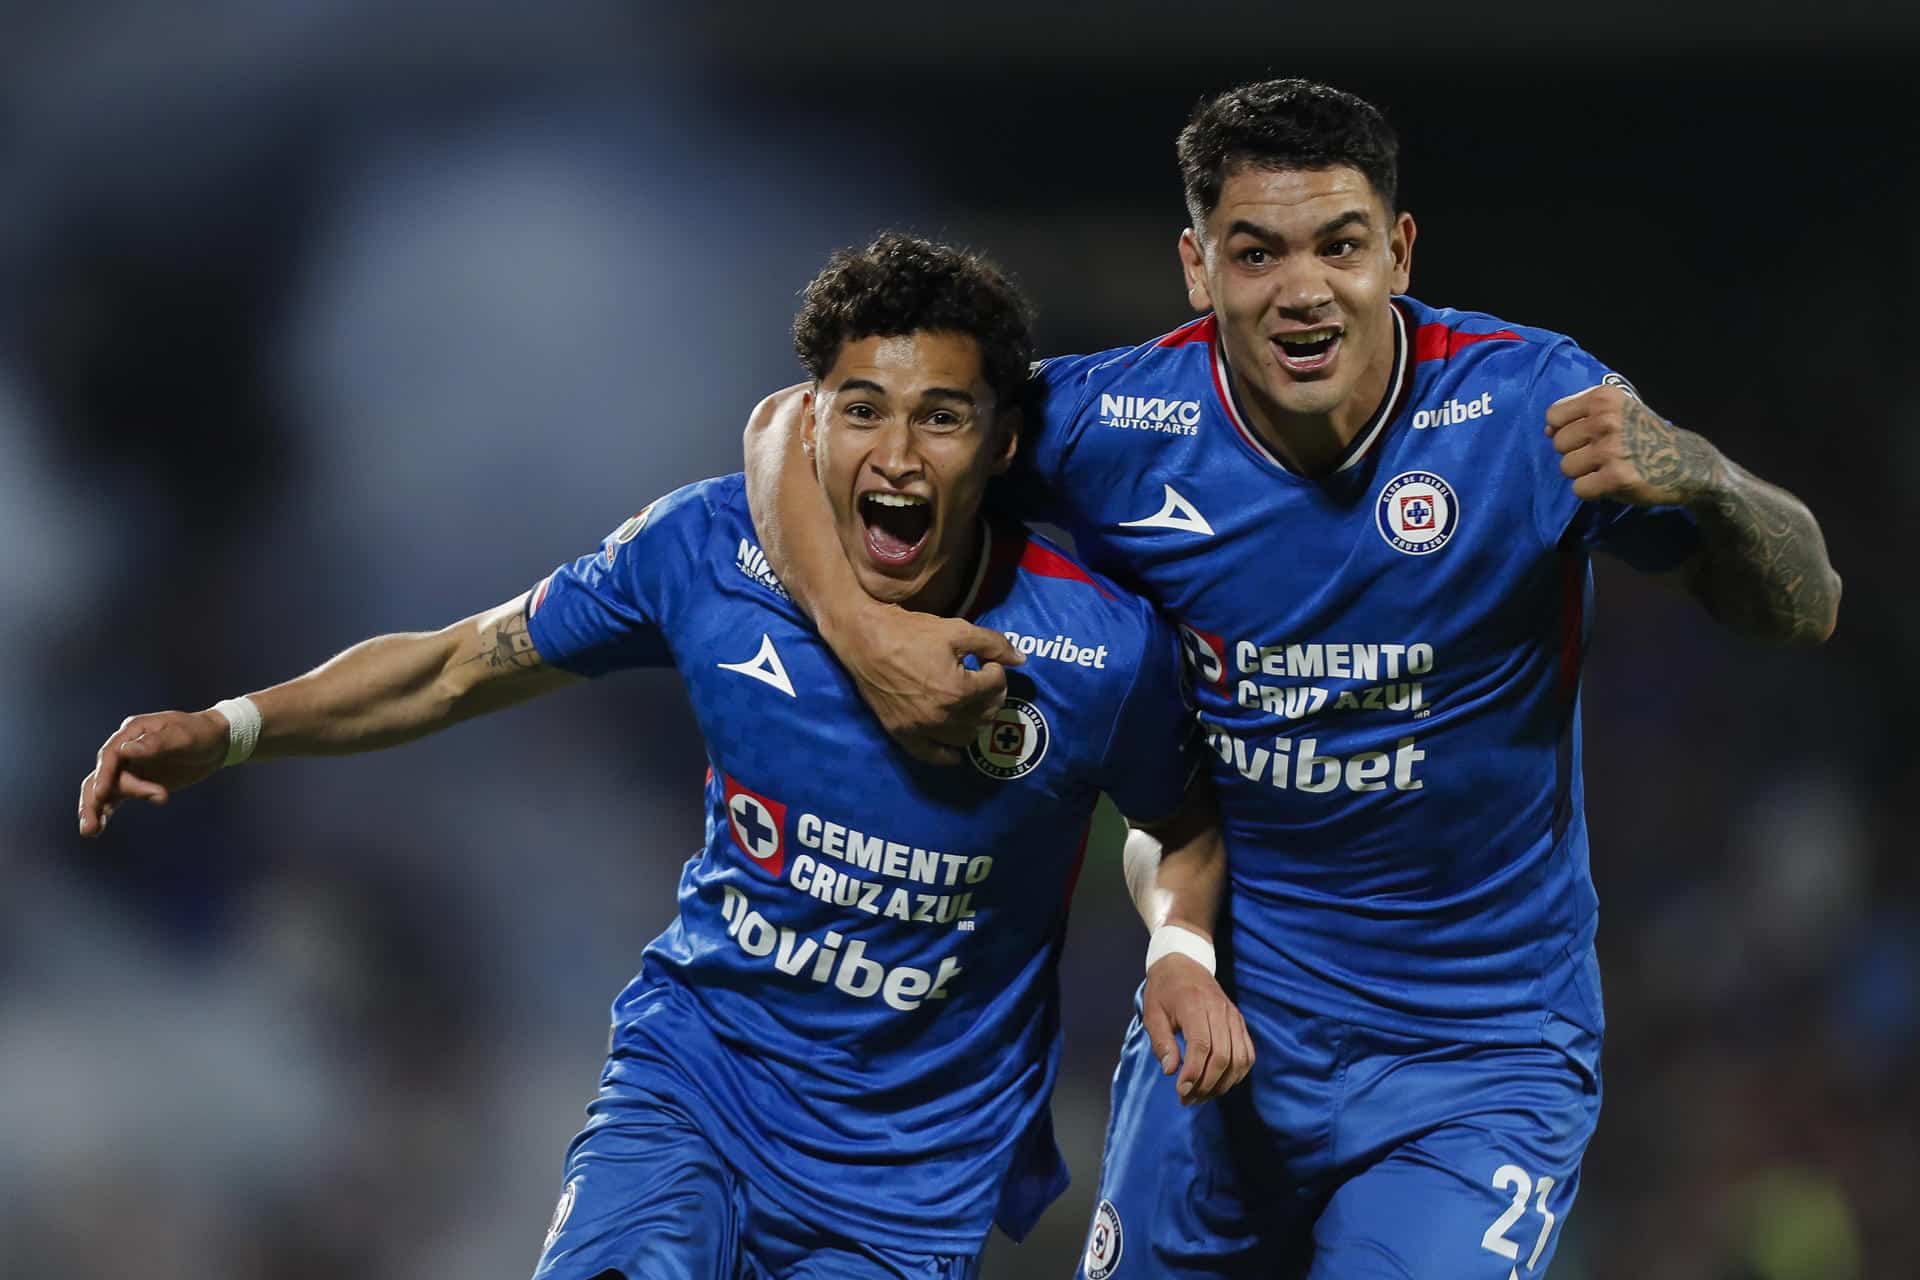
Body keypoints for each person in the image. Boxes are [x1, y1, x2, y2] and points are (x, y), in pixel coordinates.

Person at [741, 83, 1841, 1278]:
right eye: (1256, 251)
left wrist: (1710, 480)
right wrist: (859, 631)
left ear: (1399, 253)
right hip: (1226, 1045)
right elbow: (794, 425)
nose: (1303, 289)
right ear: (1197, 269)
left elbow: (1804, 603)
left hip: (1474, 1067)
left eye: (1340, 244)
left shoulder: (1529, 409)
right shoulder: (1110, 425)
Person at [75, 231, 1254, 1280]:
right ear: (815, 417)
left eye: (940, 416)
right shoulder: (706, 549)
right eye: (861, 408)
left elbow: (1187, 826)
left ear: (1000, 444)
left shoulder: (1099, 651)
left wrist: (1181, 949)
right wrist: (230, 727)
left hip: (907, 1175)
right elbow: (454, 664)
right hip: (694, 1091)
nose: (895, 455)